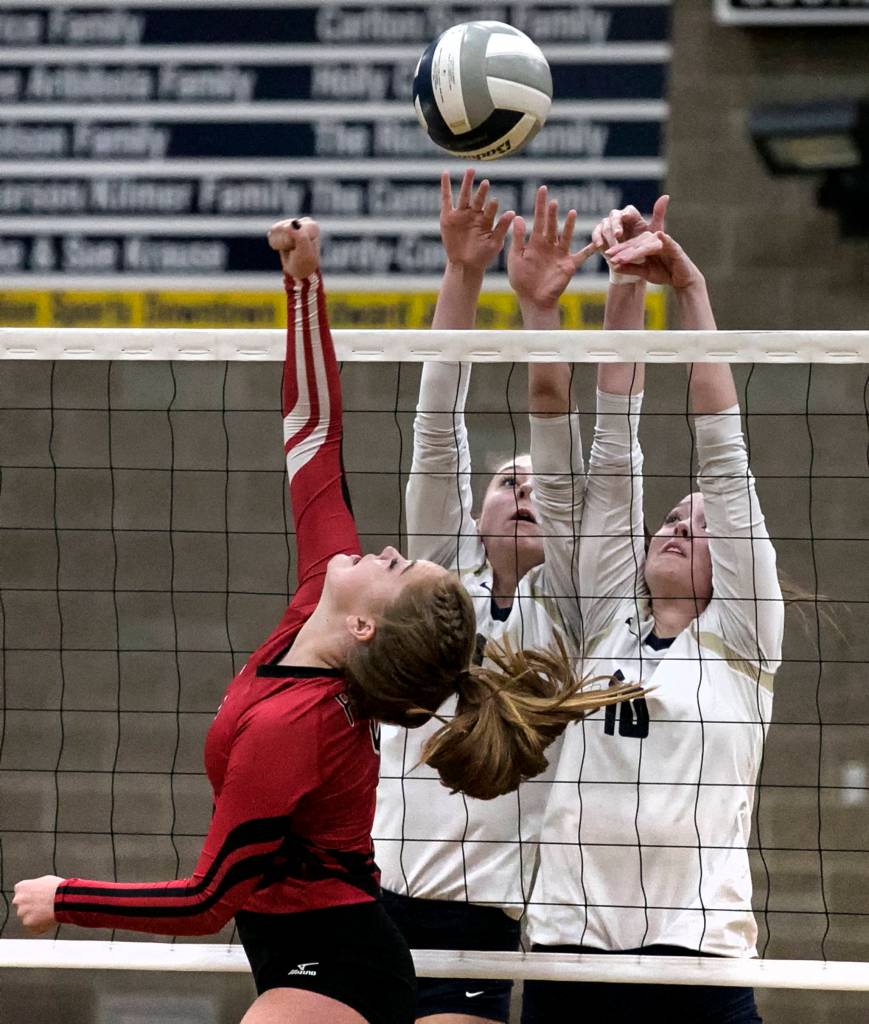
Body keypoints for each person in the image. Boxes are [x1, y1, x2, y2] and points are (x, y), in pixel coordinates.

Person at [13, 217, 641, 1024]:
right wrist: (304, 285)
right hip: (300, 944)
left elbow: (206, 899)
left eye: (394, 567)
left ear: (366, 629)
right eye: (399, 555)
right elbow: (312, 433)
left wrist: (68, 896)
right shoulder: (321, 595)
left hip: (337, 960)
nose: (383, 547)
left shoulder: (298, 726)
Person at [521, 211, 785, 1024]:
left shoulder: (741, 639)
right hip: (571, 951)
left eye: (699, 528)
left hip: (693, 959)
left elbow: (723, 454)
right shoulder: (605, 620)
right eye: (671, 517)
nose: (676, 526)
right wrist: (623, 285)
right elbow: (612, 446)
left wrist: (692, 289)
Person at [374, 171, 616, 1024]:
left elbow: (557, 446)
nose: (520, 488)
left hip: (484, 920)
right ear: (473, 515)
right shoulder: (436, 590)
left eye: (533, 486)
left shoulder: (580, 611)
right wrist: (462, 275)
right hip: (375, 902)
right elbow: (436, 432)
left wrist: (541, 312)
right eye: (501, 481)